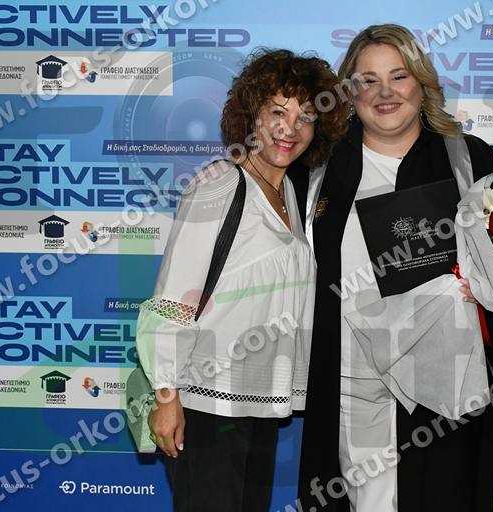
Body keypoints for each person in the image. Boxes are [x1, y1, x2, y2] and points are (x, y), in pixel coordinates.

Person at [297, 24, 493, 512]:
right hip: (349, 384)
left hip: (443, 384)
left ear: (422, 83)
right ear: (349, 92)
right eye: (368, 80)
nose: (384, 93)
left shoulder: (468, 159)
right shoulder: (318, 167)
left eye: (399, 76)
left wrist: (487, 292)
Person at [135, 48, 349, 512]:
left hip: (258, 402)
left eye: (305, 116)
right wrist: (167, 397)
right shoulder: (219, 185)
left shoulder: (292, 193)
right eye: (277, 112)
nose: (290, 128)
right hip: (205, 404)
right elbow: (172, 298)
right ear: (252, 116)